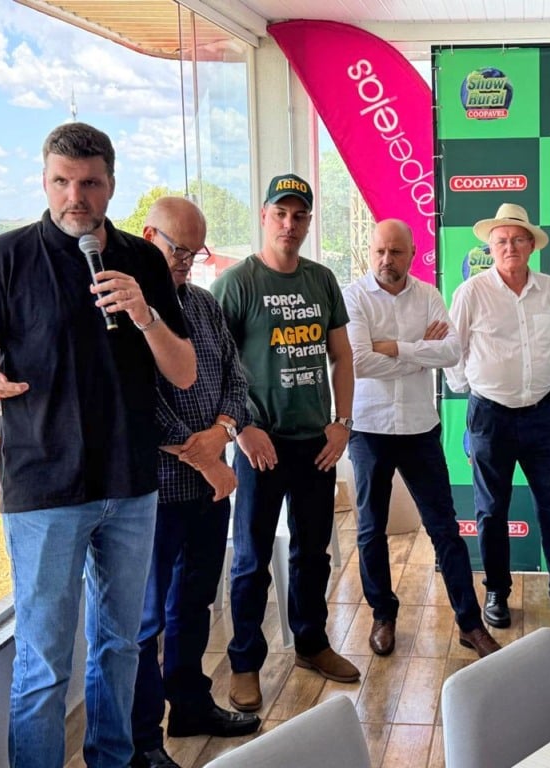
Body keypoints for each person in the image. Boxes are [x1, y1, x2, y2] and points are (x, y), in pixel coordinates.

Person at [0, 122, 196, 768]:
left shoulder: (144, 261)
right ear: (44, 180)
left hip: (131, 486)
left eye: (89, 183)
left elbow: (184, 372)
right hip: (45, 490)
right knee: (44, 663)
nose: (74, 197)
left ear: (111, 185)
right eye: (61, 182)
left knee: (120, 648)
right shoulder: (4, 257)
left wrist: (145, 315)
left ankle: (112, 760)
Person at [211, 173, 359, 714]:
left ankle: (311, 643)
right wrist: (240, 427)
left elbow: (342, 356)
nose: (289, 224)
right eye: (280, 213)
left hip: (316, 442)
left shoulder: (321, 280)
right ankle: (245, 662)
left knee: (313, 553)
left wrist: (342, 423)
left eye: (299, 215)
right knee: (251, 560)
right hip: (260, 444)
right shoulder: (237, 283)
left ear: (308, 222)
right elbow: (215, 366)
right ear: (264, 216)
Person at [129, 197, 260, 768]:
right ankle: (142, 741)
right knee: (144, 622)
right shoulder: (124, 308)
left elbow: (237, 378)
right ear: (148, 236)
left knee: (194, 604)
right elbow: (139, 402)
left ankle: (189, 706)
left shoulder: (203, 304)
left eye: (195, 251)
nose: (185, 261)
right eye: (178, 249)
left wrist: (223, 430)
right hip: (153, 496)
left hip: (209, 492)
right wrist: (205, 456)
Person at [343, 219, 501, 658]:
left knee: (445, 528)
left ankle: (470, 623)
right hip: (369, 427)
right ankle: (383, 615)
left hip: (418, 427)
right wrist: (418, 351)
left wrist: (394, 346)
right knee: (371, 530)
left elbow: (451, 351)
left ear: (412, 254)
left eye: (396, 252)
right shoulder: (353, 297)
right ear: (370, 251)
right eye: (379, 251)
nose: (386, 260)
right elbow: (358, 362)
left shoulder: (429, 295)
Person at [446, 203, 550, 629]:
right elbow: (453, 350)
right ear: (490, 248)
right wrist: (474, 387)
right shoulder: (471, 292)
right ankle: (496, 592)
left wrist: (533, 383)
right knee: (492, 511)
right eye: (502, 241)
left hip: (541, 414)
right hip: (490, 415)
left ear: (531, 245)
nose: (510, 247)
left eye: (518, 239)